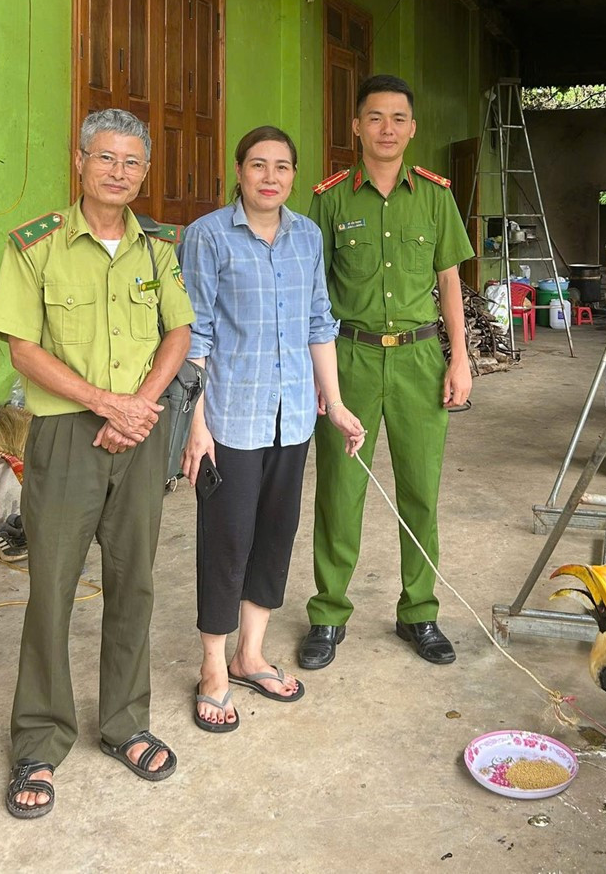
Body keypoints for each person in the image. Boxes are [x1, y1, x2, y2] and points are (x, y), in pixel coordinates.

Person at [0, 109, 194, 818]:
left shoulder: (159, 247)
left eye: (133, 162)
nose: (119, 172)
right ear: (80, 161)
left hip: (139, 432)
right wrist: (108, 403)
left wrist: (137, 406)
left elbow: (180, 331)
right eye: (106, 158)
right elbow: (22, 346)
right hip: (67, 433)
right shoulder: (37, 245)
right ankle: (39, 739)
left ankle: (126, 723)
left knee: (134, 579)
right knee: (53, 587)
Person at [179, 126, 365, 731]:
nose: (270, 177)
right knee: (226, 538)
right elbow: (195, 336)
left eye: (282, 167)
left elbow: (319, 323)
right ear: (238, 171)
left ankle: (249, 654)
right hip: (231, 417)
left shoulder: (307, 236)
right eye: (258, 165)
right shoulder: (208, 236)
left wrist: (333, 405)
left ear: (293, 175)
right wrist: (196, 425)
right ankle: (212, 666)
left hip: (292, 419)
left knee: (275, 534)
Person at [299, 74, 474, 671]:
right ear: (356, 126)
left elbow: (450, 280)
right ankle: (327, 614)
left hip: (420, 358)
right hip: (347, 357)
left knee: (420, 490)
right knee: (340, 491)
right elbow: (313, 287)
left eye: (398, 118)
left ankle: (418, 612)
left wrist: (462, 357)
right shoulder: (329, 199)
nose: (387, 129)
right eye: (375, 118)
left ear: (412, 128)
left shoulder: (435, 195)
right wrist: (315, 374)